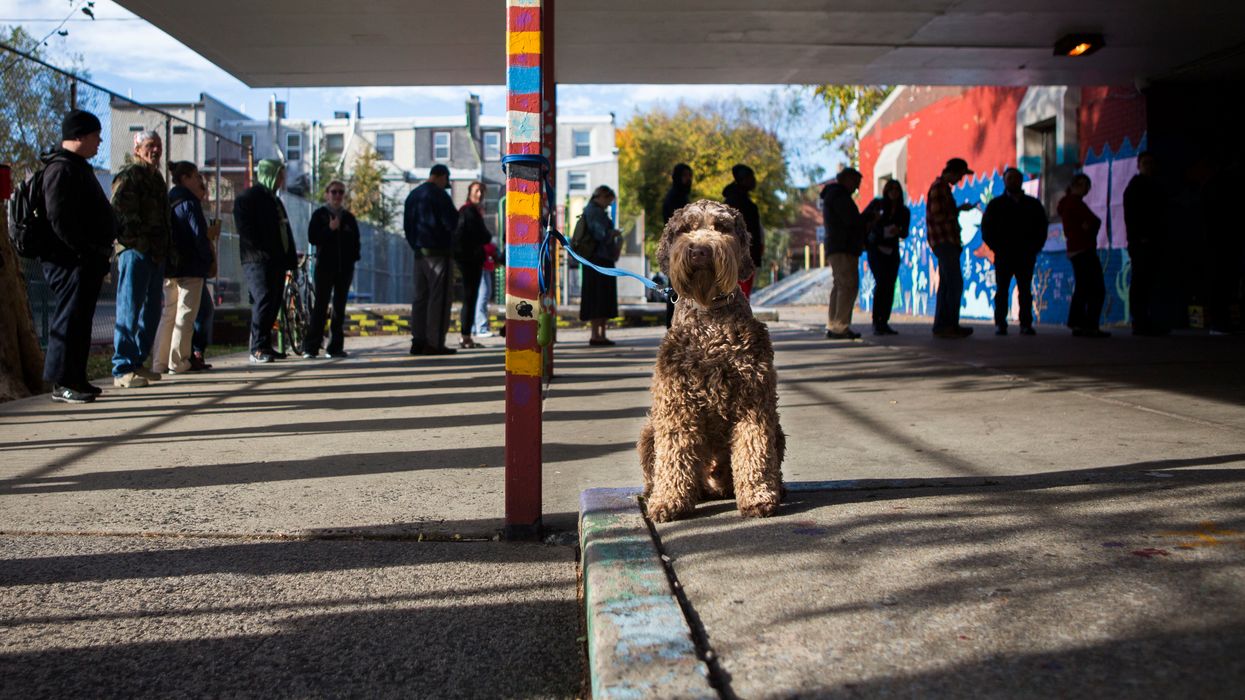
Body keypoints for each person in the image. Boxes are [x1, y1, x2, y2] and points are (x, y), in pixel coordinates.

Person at [37, 109, 115, 403]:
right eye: (96, 135)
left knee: (81, 321)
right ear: (78, 135)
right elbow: (58, 217)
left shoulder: (78, 166)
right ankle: (62, 383)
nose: (100, 141)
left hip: (86, 259)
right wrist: (82, 250)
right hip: (70, 261)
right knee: (68, 320)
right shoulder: (61, 169)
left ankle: (77, 378)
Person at [110, 130, 171, 387]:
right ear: (137, 149)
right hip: (135, 252)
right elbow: (119, 213)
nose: (155, 150)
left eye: (158, 145)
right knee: (129, 307)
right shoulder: (129, 176)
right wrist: (140, 242)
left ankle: (136, 361)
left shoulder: (157, 179)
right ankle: (122, 367)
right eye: (149, 145)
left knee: (152, 310)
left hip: (156, 254)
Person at [234, 158, 298, 363]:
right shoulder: (248, 197)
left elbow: (284, 230)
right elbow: (246, 230)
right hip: (257, 260)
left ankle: (265, 344)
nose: (281, 179)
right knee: (263, 299)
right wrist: (261, 250)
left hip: (277, 260)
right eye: (279, 175)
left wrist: (290, 259)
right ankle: (257, 348)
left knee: (274, 301)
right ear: (270, 174)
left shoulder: (274, 200)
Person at [152, 161, 213, 374]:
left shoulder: (168, 201)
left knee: (169, 313)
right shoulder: (189, 202)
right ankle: (178, 361)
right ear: (185, 178)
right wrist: (207, 261)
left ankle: (159, 362)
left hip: (170, 266)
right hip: (191, 266)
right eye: (196, 176)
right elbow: (199, 236)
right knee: (186, 314)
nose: (199, 180)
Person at [981, 167, 1048, 336]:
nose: (1013, 181)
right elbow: (986, 229)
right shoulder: (996, 205)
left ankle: (1025, 323)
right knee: (1002, 290)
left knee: (1025, 290)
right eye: (1009, 178)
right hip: (1004, 255)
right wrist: (997, 247)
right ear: (1004, 181)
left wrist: (1035, 247)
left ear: (1021, 180)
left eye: (1016, 178)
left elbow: (1042, 227)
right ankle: (1000, 323)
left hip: (1025, 255)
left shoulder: (1032, 204)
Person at [404, 163, 459, 355]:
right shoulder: (439, 194)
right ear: (442, 177)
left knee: (420, 298)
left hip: (419, 254)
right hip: (439, 254)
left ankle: (417, 339)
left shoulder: (413, 196)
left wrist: (416, 246)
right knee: (439, 299)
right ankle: (434, 342)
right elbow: (451, 222)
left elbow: (407, 227)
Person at [302, 180, 361, 359]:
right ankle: (311, 347)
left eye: (340, 192)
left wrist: (353, 259)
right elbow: (313, 238)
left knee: (339, 308)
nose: (337, 196)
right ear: (327, 194)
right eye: (334, 192)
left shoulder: (349, 218)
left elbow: (355, 242)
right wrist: (329, 229)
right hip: (324, 268)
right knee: (320, 306)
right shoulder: (320, 215)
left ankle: (335, 347)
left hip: (344, 269)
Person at [926, 157, 978, 338]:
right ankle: (947, 325)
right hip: (944, 241)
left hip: (947, 241)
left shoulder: (943, 188)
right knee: (954, 283)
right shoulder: (939, 188)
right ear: (953, 172)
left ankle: (944, 325)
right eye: (960, 176)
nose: (960, 180)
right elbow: (938, 215)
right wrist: (956, 211)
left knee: (948, 284)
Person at [1058, 173, 1110, 338]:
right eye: (1083, 185)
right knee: (1095, 288)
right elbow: (1094, 221)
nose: (1086, 188)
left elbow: (1091, 222)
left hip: (1077, 249)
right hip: (1083, 248)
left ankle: (1078, 323)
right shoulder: (1074, 203)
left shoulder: (1069, 203)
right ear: (1076, 185)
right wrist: (1088, 226)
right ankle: (1088, 324)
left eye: (1088, 185)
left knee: (1083, 287)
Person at [1122, 152, 1169, 336]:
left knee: (1147, 281)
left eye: (1151, 163)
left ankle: (1145, 320)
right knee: (1141, 281)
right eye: (1145, 163)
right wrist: (1139, 237)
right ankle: (1140, 321)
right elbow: (1132, 216)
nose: (1148, 166)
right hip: (1141, 242)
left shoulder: (1153, 186)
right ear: (1138, 165)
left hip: (1151, 240)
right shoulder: (1135, 188)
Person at [861, 178, 911, 335]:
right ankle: (877, 321)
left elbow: (905, 233)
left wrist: (898, 230)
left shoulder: (904, 211)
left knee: (890, 285)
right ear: (886, 191)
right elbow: (863, 220)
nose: (894, 193)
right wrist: (875, 222)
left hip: (892, 250)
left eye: (897, 190)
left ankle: (884, 321)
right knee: (881, 283)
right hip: (876, 249)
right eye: (891, 190)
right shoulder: (877, 205)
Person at [821, 167, 866, 339]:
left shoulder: (832, 195)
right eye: (856, 182)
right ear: (846, 179)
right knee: (847, 285)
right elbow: (851, 221)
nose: (857, 187)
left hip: (836, 246)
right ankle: (840, 326)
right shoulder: (840, 197)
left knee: (840, 285)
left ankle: (834, 324)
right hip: (843, 246)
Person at [579, 185, 621, 346]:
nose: (608, 204)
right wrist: (613, 233)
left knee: (598, 298)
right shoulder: (595, 212)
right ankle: (597, 334)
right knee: (599, 298)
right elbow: (600, 234)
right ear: (601, 197)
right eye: (608, 200)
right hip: (598, 260)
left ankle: (599, 333)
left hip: (596, 259)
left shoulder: (592, 210)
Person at [453, 181, 492, 349]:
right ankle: (465, 336)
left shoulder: (469, 211)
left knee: (472, 298)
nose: (480, 194)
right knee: (470, 298)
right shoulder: (469, 211)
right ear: (470, 192)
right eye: (477, 191)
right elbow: (483, 235)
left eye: (482, 191)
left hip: (468, 260)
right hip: (470, 260)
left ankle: (467, 335)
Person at [722, 164, 763, 298]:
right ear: (743, 179)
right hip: (740, 254)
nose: (754, 180)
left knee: (742, 291)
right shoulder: (735, 202)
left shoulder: (742, 201)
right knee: (740, 292)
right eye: (751, 177)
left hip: (746, 252)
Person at [660, 164, 693, 326]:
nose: (688, 179)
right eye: (685, 175)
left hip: (681, 249)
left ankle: (677, 326)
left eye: (690, 175)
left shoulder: (681, 196)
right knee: (678, 291)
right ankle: (674, 327)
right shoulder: (675, 197)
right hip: (677, 250)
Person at [475, 241, 498, 338]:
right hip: (481, 267)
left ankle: (477, 327)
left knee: (482, 296)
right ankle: (481, 328)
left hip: (484, 267)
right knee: (483, 296)